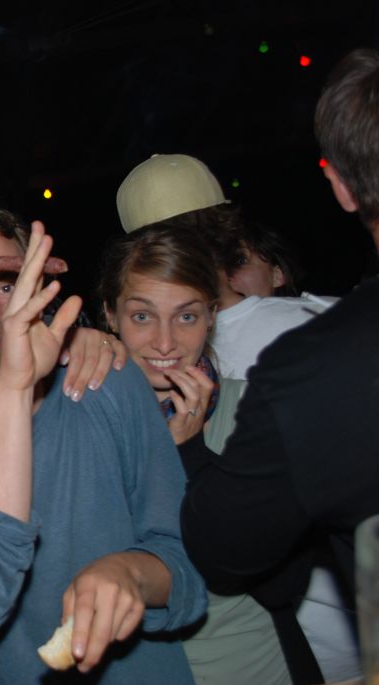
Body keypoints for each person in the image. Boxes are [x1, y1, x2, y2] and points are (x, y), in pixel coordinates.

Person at [0, 206, 207, 684]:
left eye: (6, 287)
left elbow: (187, 566)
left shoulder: (109, 384)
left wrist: (132, 573)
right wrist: (14, 388)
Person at [181, 47, 379, 680]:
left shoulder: (312, 368)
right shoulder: (315, 340)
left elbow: (226, 549)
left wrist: (188, 448)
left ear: (339, 185)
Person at [98, 223, 296, 684]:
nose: (165, 342)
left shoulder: (253, 410)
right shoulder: (87, 420)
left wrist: (189, 454)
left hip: (251, 670)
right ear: (110, 315)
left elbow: (277, 580)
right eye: (142, 316)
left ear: (211, 317)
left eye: (186, 316)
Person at [115, 154, 333, 380]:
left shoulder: (131, 360)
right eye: (141, 317)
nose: (165, 345)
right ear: (225, 230)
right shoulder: (322, 320)